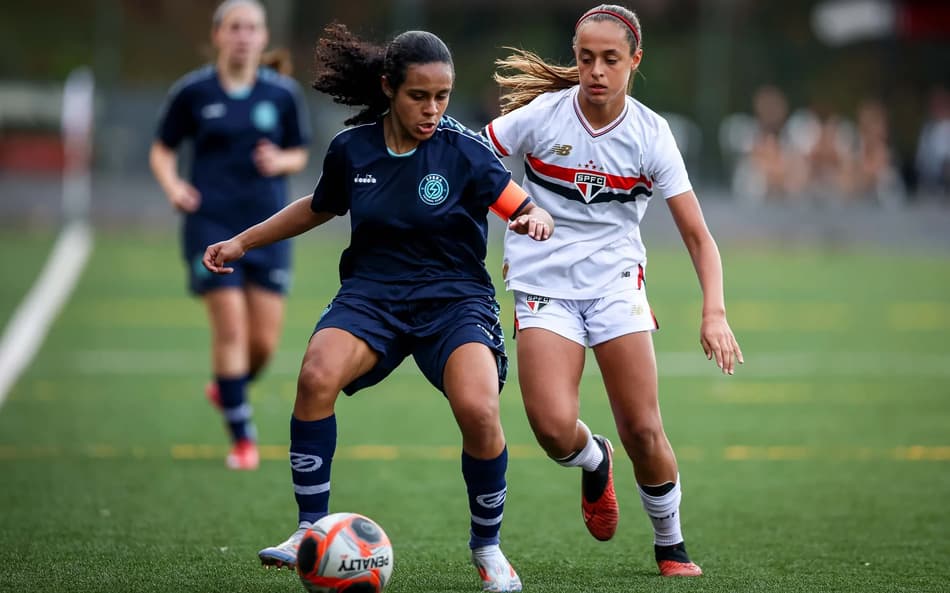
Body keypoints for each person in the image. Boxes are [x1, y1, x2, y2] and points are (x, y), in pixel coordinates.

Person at [203, 23, 554, 593]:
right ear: (389, 88)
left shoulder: (465, 150)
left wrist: (531, 216)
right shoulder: (353, 148)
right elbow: (318, 208)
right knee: (315, 375)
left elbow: (517, 203)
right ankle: (310, 529)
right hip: (372, 296)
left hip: (454, 300)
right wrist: (243, 241)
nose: (432, 109)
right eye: (419, 96)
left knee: (480, 411)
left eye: (442, 96)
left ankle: (488, 550)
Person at [483, 4, 742, 578]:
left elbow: (698, 236)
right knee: (552, 430)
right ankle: (594, 458)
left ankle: (670, 544)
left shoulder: (652, 135)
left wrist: (714, 312)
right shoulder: (541, 117)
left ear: (634, 62)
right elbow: (472, 162)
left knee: (644, 428)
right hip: (541, 284)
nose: (596, 71)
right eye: (585, 58)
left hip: (615, 286)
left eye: (610, 60)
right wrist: (514, 209)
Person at [149, 0, 311, 471]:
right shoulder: (193, 91)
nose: (244, 36)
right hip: (212, 225)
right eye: (235, 27)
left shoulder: (281, 94)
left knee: (263, 343)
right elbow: (162, 150)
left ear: (264, 38)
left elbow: (299, 153)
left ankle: (227, 388)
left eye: (253, 28)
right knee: (232, 329)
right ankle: (243, 438)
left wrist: (279, 162)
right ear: (218, 35)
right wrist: (174, 186)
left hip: (266, 227)